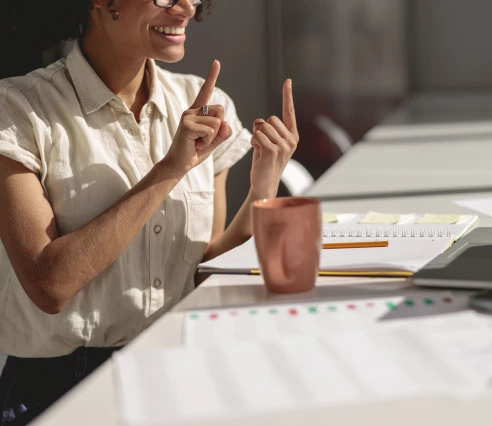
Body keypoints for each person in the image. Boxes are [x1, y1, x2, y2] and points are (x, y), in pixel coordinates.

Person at [0, 0, 299, 424]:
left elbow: (203, 274)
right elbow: (50, 285)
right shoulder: (17, 111)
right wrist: (169, 170)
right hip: (60, 391)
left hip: (184, 369)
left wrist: (262, 189)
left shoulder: (205, 103)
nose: (185, 10)